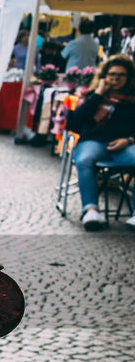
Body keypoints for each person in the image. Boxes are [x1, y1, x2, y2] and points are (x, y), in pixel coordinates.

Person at [66, 54, 135, 230]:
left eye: (121, 75)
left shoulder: (132, 99)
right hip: (93, 142)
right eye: (112, 74)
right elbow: (74, 123)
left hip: (124, 145)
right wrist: (98, 94)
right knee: (84, 159)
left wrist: (128, 140)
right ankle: (90, 210)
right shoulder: (92, 95)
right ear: (105, 75)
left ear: (129, 78)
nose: (115, 78)